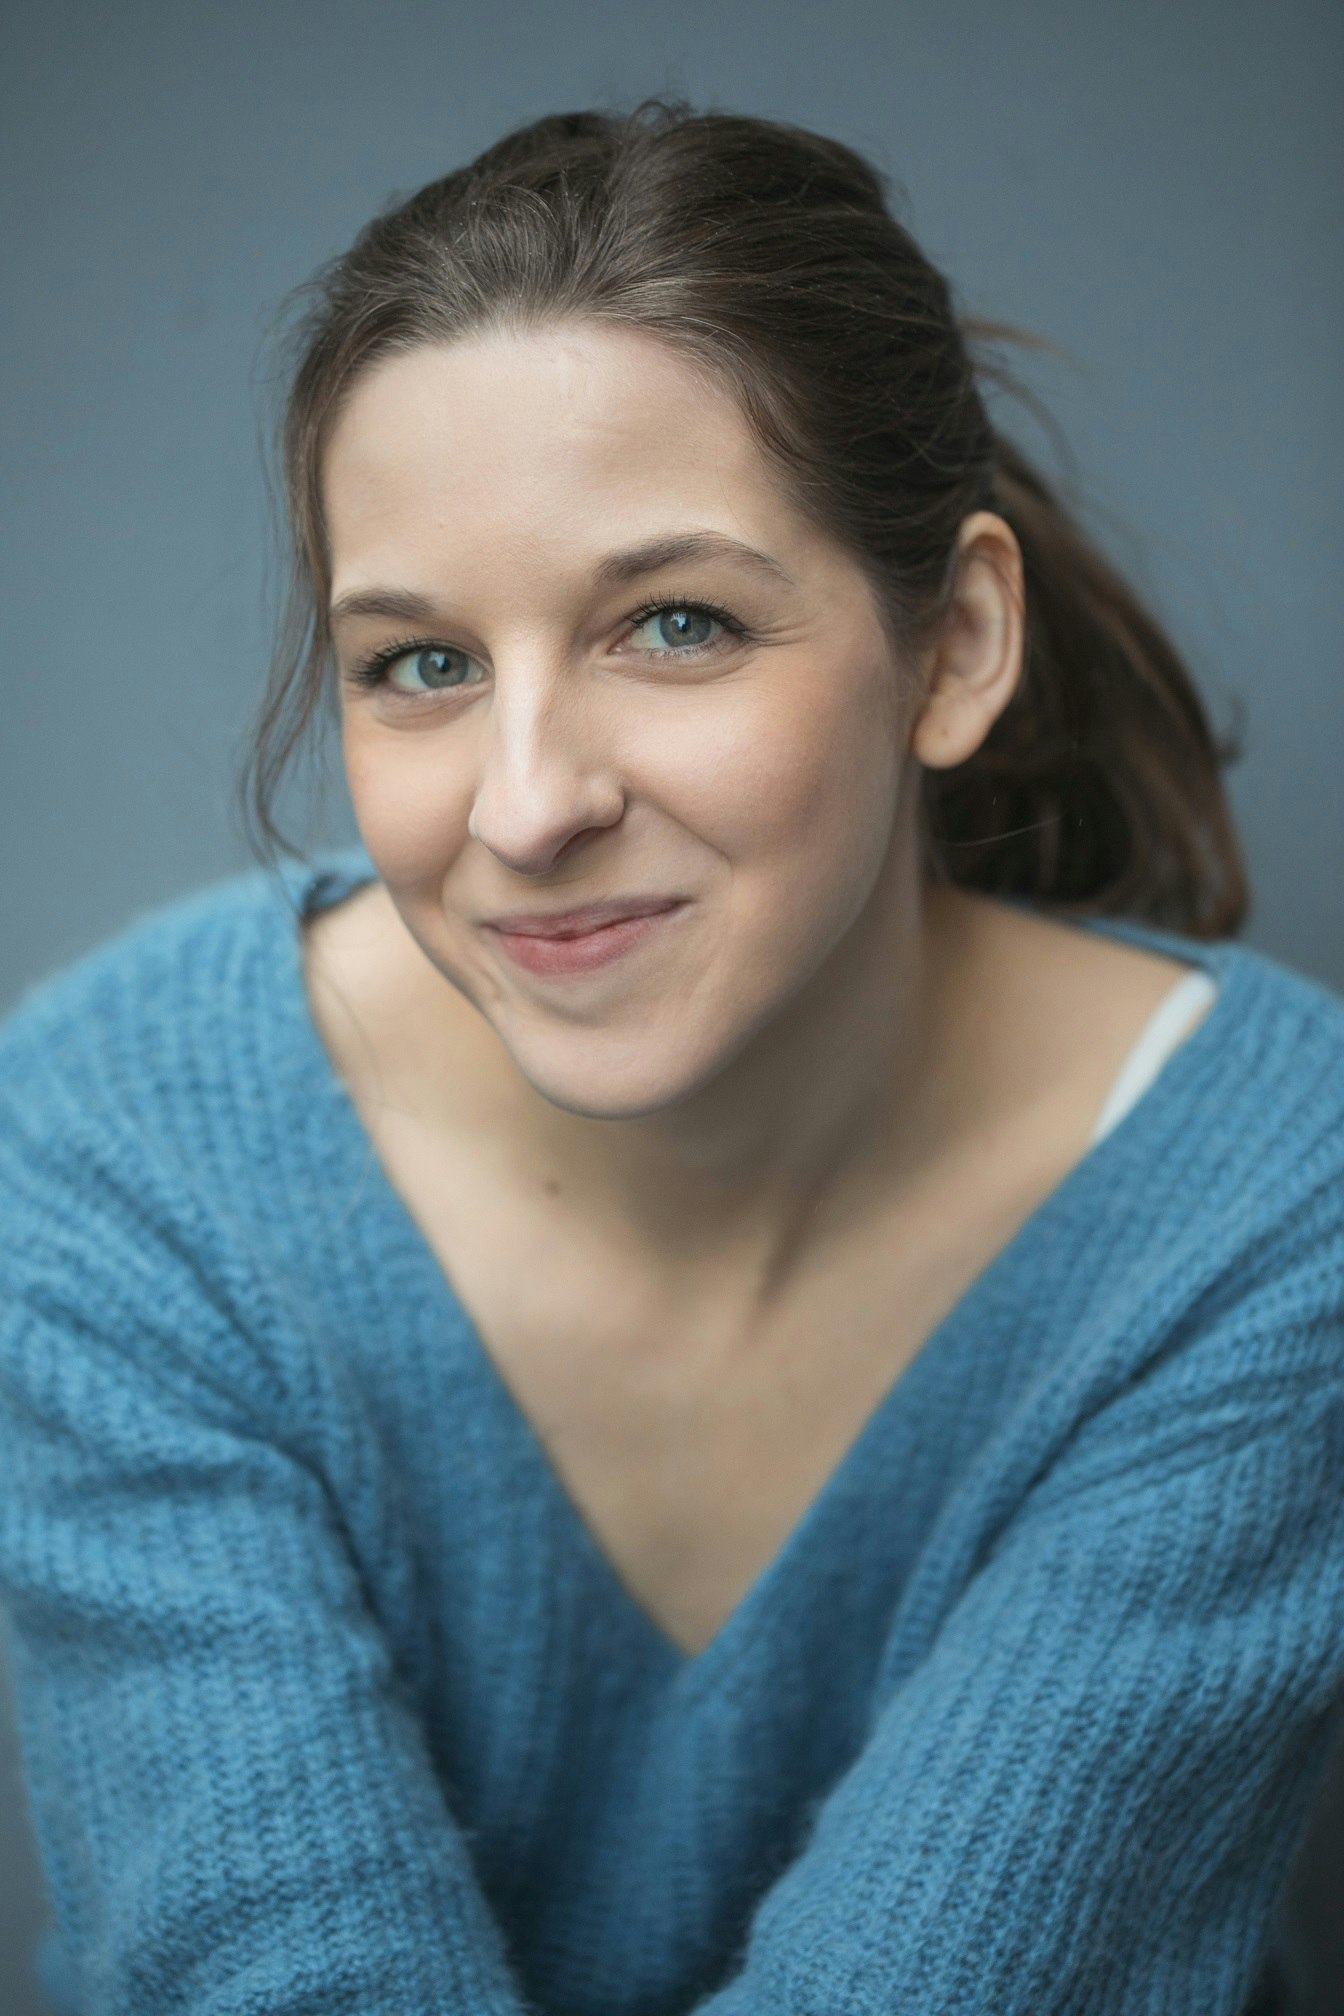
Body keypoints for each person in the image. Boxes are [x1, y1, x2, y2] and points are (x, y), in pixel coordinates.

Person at [1, 95, 1340, 2016]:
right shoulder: (116, 1151)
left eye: (677, 625)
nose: (526, 805)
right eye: (423, 665)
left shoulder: (1277, 1204)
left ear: (956, 645)